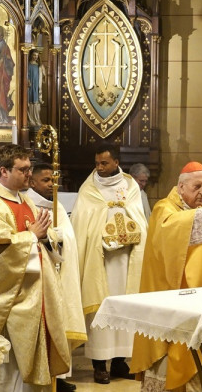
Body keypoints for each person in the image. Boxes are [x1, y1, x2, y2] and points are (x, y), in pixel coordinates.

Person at [0, 145, 72, 391]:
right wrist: (31, 237)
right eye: (23, 169)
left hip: (33, 295)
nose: (29, 174)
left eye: (29, 168)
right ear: (4, 171)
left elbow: (41, 235)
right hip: (7, 300)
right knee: (6, 366)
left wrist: (49, 237)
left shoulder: (24, 200)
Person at [131, 161, 202, 391]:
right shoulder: (164, 209)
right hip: (175, 304)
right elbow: (168, 234)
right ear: (181, 187)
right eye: (197, 186)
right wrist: (201, 216)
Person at [70, 144, 147, 384]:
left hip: (125, 258)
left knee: (125, 308)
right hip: (99, 259)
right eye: (97, 163)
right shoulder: (89, 188)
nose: (99, 168)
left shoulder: (130, 185)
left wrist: (125, 221)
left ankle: (119, 362)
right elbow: (83, 220)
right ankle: (99, 365)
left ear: (116, 162)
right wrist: (105, 221)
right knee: (100, 309)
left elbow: (139, 216)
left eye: (104, 163)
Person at [26, 163, 86, 392]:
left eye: (53, 180)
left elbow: (68, 239)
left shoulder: (55, 204)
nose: (52, 184)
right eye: (45, 180)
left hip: (61, 273)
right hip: (44, 276)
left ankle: (59, 377)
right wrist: (52, 240)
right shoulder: (30, 205)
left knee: (61, 323)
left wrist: (62, 241)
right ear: (32, 183)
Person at [27, 49, 45, 127]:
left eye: (37, 56)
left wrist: (43, 73)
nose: (35, 57)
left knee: (36, 103)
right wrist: (27, 81)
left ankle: (37, 119)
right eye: (34, 55)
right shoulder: (27, 65)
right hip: (29, 87)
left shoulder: (39, 66)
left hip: (36, 87)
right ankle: (30, 120)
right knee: (30, 103)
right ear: (31, 55)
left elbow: (43, 77)